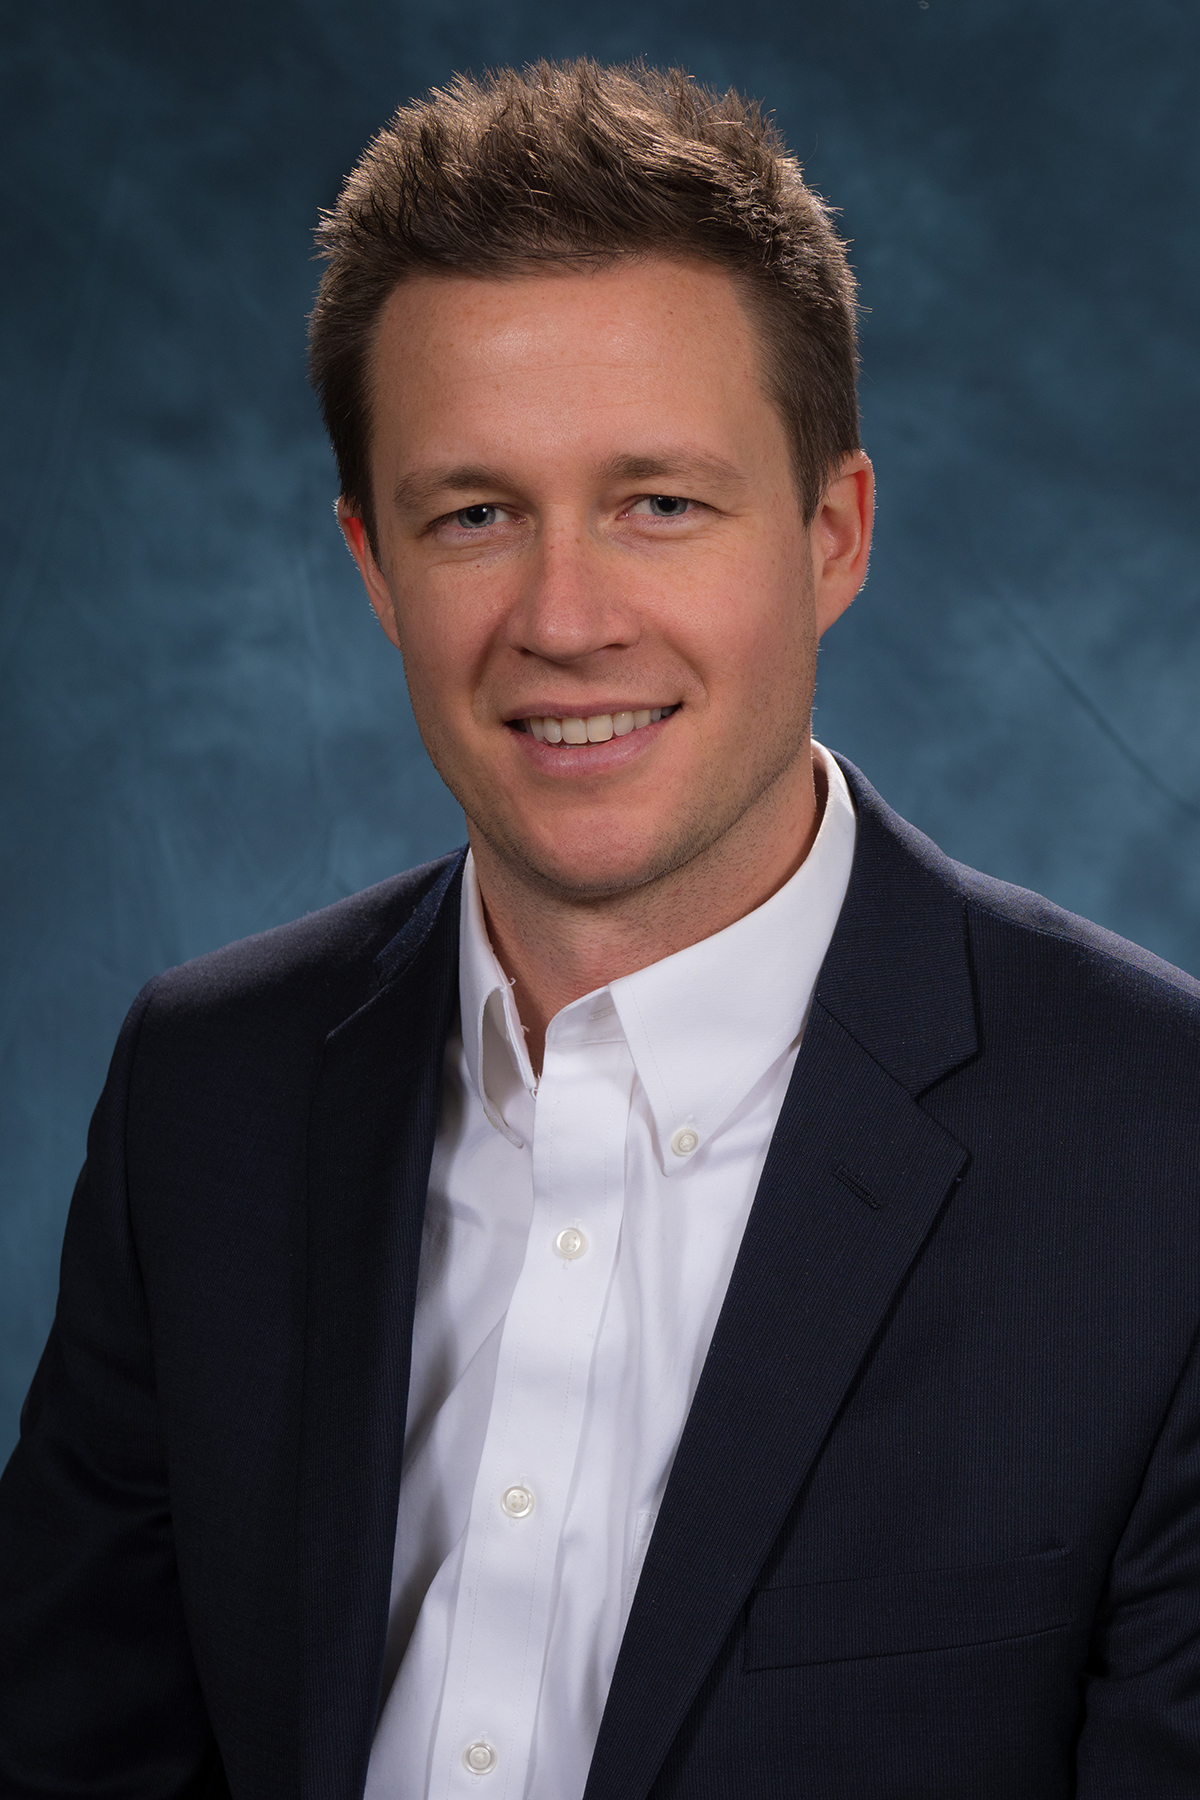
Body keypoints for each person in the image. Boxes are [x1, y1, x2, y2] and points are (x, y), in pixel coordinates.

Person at [1, 57, 1198, 1800]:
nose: (563, 618)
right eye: (474, 514)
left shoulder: (1160, 1155)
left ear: (833, 535)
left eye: (660, 503)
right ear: (371, 564)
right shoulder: (207, 1092)